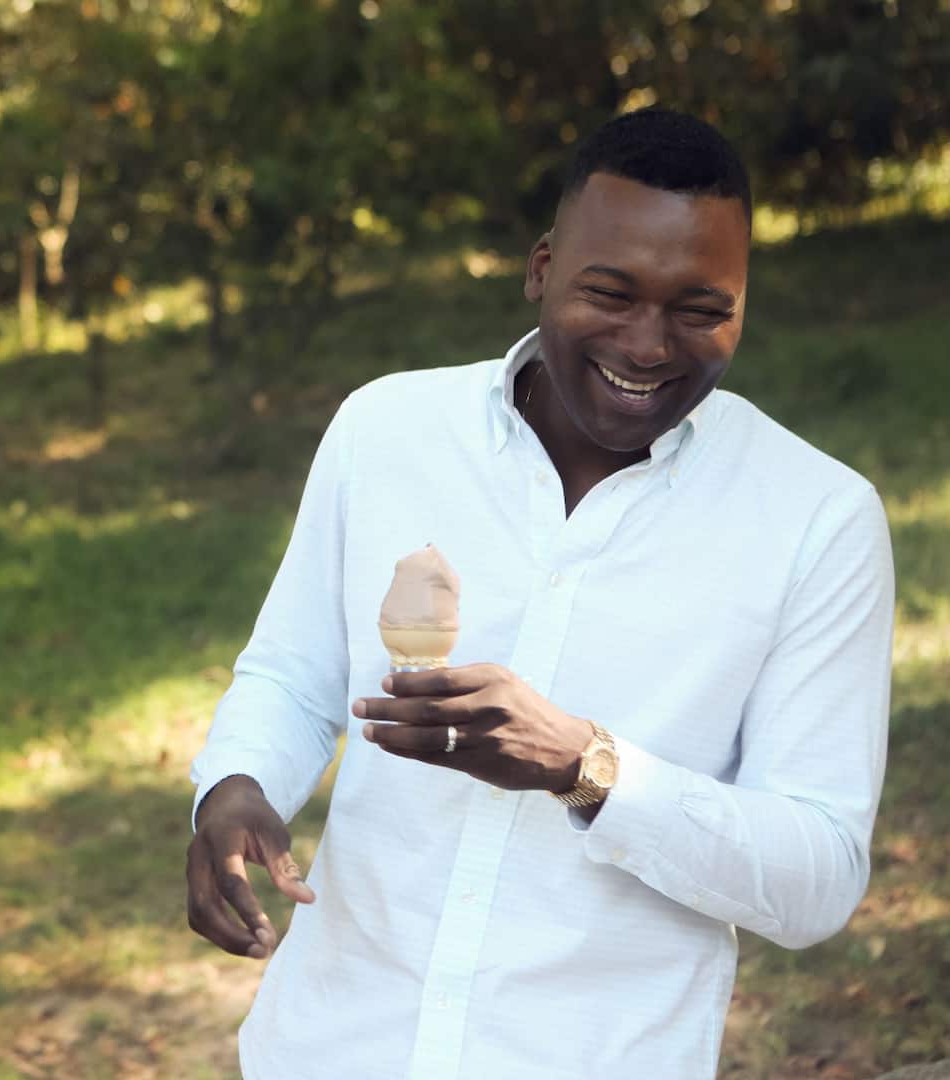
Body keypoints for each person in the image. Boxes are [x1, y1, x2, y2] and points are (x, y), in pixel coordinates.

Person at [185, 107, 894, 1078]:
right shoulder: (385, 430)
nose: (649, 345)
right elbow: (294, 677)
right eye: (611, 293)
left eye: (700, 307)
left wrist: (589, 768)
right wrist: (233, 789)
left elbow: (817, 878)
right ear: (541, 269)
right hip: (327, 1047)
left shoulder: (818, 520)